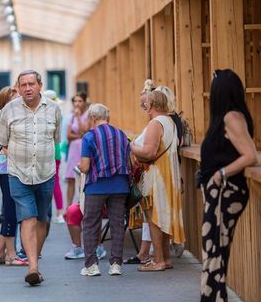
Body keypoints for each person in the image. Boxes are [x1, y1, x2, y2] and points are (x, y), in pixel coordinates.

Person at [0, 70, 62, 286]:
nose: (27, 88)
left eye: (31, 84)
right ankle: (32, 267)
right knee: (28, 218)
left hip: (45, 172)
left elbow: (56, 139)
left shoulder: (53, 109)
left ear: (40, 85)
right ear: (18, 87)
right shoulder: (9, 110)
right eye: (23, 84)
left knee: (42, 219)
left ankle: (35, 259)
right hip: (18, 173)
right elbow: (2, 142)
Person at [199, 69, 257, 301]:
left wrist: (221, 173)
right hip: (219, 194)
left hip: (226, 192)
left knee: (215, 254)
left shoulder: (232, 117)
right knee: (213, 254)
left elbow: (250, 155)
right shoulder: (227, 116)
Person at [130, 89, 185, 272]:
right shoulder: (170, 122)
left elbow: (148, 152)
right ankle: (166, 259)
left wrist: (131, 146)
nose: (145, 106)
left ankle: (158, 260)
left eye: (146, 103)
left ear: (152, 105)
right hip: (168, 174)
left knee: (154, 218)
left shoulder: (155, 123)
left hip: (155, 176)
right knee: (163, 217)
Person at [77, 103, 130, 276]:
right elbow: (129, 161)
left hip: (96, 186)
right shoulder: (121, 134)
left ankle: (92, 265)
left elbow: (84, 167)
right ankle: (116, 264)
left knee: (91, 224)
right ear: (107, 118)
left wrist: (79, 165)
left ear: (92, 118)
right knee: (117, 224)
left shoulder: (89, 137)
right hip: (120, 185)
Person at [0, 86, 26, 266]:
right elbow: (6, 148)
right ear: (6, 102)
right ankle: (11, 255)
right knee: (11, 210)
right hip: (6, 169)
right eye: (14, 100)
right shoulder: (2, 121)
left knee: (9, 209)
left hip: (10, 169)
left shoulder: (9, 119)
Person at [42, 90, 65, 223]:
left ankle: (47, 212)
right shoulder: (58, 113)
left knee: (45, 182)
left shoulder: (44, 114)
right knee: (55, 182)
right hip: (56, 150)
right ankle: (59, 213)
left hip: (46, 151)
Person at [65, 92, 89, 209]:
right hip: (73, 150)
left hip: (83, 150)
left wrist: (79, 117)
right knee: (70, 179)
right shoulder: (71, 116)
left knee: (82, 178)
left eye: (80, 101)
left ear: (84, 102)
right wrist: (79, 135)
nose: (77, 104)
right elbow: (68, 135)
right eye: (75, 101)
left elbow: (85, 132)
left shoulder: (88, 115)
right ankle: (67, 207)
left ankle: (82, 205)